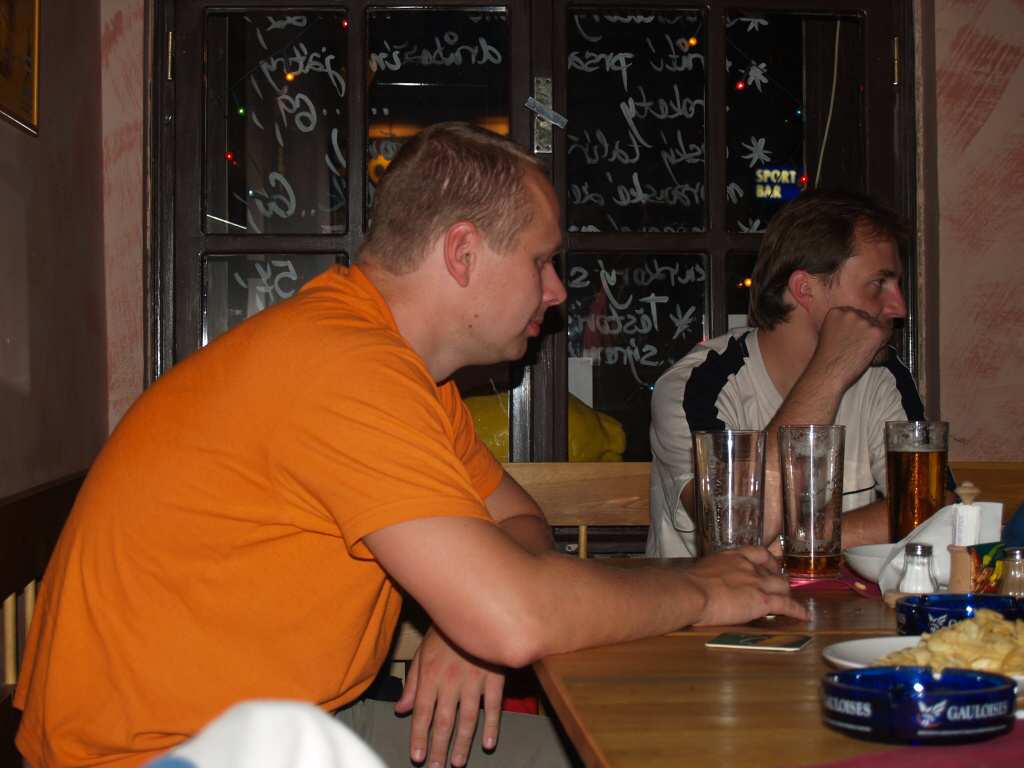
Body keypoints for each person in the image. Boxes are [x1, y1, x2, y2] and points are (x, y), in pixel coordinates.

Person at [15, 122, 806, 768]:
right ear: (462, 253)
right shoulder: (344, 366)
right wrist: (701, 591)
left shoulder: (407, 376)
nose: (557, 290)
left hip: (287, 728)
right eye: (541, 260)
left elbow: (518, 522)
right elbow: (515, 615)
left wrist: (471, 620)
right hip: (159, 755)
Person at [648, 189, 930, 558]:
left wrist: (794, 544)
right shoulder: (696, 386)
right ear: (804, 289)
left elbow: (931, 507)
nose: (899, 307)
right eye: (878, 284)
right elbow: (735, 536)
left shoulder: (883, 376)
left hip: (839, 596)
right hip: (704, 597)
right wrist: (830, 372)